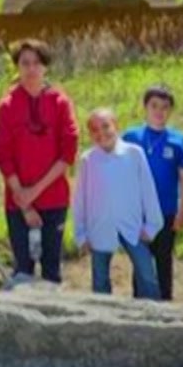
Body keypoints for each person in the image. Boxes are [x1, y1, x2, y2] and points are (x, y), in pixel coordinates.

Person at [0, 38, 78, 284]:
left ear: (45, 66)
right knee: (23, 270)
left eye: (37, 63)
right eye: (25, 63)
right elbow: (3, 154)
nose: (31, 69)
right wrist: (24, 202)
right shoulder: (6, 106)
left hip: (54, 198)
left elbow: (68, 152)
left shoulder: (60, 103)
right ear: (17, 67)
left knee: (52, 270)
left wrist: (35, 192)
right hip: (17, 202)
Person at [71, 108, 164, 298]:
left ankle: (152, 310)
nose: (101, 133)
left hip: (133, 226)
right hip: (99, 228)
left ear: (116, 125)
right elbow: (80, 199)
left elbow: (148, 191)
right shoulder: (88, 160)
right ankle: (102, 313)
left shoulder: (134, 154)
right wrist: (81, 233)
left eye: (106, 126)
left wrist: (152, 225)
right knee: (100, 279)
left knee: (147, 274)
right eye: (95, 130)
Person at [123, 86, 183, 300]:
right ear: (145, 107)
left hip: (166, 212)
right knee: (141, 263)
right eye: (154, 106)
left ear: (170, 110)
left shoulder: (177, 140)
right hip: (138, 213)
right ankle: (139, 304)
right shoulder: (131, 137)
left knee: (164, 261)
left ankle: (165, 304)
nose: (159, 111)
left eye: (165, 107)